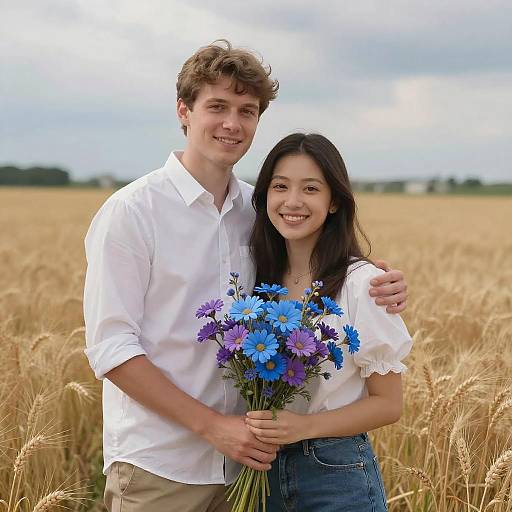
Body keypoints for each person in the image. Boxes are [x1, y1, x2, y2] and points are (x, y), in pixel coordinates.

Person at [83, 41, 408, 512]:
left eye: (247, 110)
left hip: (252, 473)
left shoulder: (261, 210)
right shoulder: (132, 213)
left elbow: (316, 269)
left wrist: (372, 277)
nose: (232, 123)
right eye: (217, 106)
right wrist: (213, 427)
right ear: (184, 111)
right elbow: (111, 347)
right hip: (163, 467)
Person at [245, 133, 413, 512]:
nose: (292, 202)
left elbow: (388, 405)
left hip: (336, 473)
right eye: (280, 186)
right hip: (258, 471)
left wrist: (304, 428)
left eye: (310, 188)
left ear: (334, 201)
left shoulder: (362, 284)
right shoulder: (255, 279)